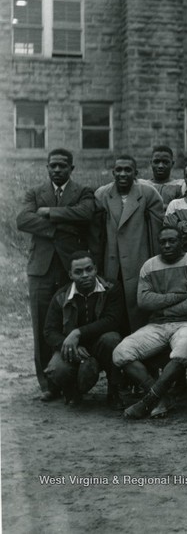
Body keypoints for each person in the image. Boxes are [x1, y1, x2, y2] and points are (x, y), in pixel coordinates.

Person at [16, 148, 95, 401]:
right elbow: (22, 220)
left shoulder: (83, 192)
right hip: (40, 270)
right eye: (53, 166)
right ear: (47, 168)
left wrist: (49, 213)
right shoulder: (35, 192)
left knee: (68, 324)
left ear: (72, 168)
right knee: (41, 325)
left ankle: (69, 381)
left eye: (62, 165)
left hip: (69, 270)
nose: (57, 170)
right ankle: (48, 384)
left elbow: (85, 213)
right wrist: (62, 229)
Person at [114, 226, 187, 420]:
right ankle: (161, 396)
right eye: (163, 242)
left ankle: (148, 400)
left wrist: (163, 306)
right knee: (121, 352)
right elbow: (144, 301)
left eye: (172, 241)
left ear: (182, 242)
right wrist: (177, 296)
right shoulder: (149, 266)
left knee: (182, 353)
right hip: (156, 325)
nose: (167, 245)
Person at [43, 251, 123, 408]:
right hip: (75, 349)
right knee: (56, 369)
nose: (85, 275)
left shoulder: (111, 288)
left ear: (96, 269)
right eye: (78, 272)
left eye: (89, 269)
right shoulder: (60, 296)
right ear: (70, 275)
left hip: (101, 343)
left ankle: (114, 390)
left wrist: (78, 333)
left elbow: (112, 320)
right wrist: (69, 345)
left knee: (112, 339)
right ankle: (73, 391)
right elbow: (49, 331)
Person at [93, 154, 163, 332]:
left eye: (127, 170)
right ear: (113, 172)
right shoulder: (102, 194)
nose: (123, 174)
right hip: (112, 263)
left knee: (138, 310)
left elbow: (156, 233)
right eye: (119, 170)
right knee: (114, 309)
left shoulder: (148, 194)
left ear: (136, 173)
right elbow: (96, 234)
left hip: (138, 262)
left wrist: (156, 265)